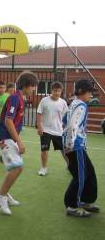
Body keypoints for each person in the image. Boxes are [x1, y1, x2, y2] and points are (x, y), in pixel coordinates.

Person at [0, 71, 38, 216]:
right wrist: (19, 142)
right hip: (5, 136)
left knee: (13, 167)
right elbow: (8, 120)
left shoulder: (21, 98)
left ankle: (5, 193)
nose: (34, 89)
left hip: (10, 137)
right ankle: (0, 196)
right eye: (33, 86)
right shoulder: (15, 98)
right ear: (27, 85)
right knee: (18, 168)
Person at [63, 79, 99, 218]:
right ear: (82, 91)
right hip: (75, 146)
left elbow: (65, 121)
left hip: (76, 145)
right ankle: (72, 205)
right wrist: (70, 144)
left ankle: (86, 200)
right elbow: (72, 125)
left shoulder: (73, 103)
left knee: (89, 172)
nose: (91, 95)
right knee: (81, 176)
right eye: (89, 92)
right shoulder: (81, 106)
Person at [37, 81, 68, 176]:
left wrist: (64, 127)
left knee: (63, 150)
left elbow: (66, 116)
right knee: (44, 150)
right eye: (55, 91)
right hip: (45, 130)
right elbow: (39, 113)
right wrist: (39, 127)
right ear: (51, 90)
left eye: (59, 91)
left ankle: (70, 166)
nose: (57, 93)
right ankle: (43, 168)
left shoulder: (63, 102)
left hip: (58, 131)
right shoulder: (44, 100)